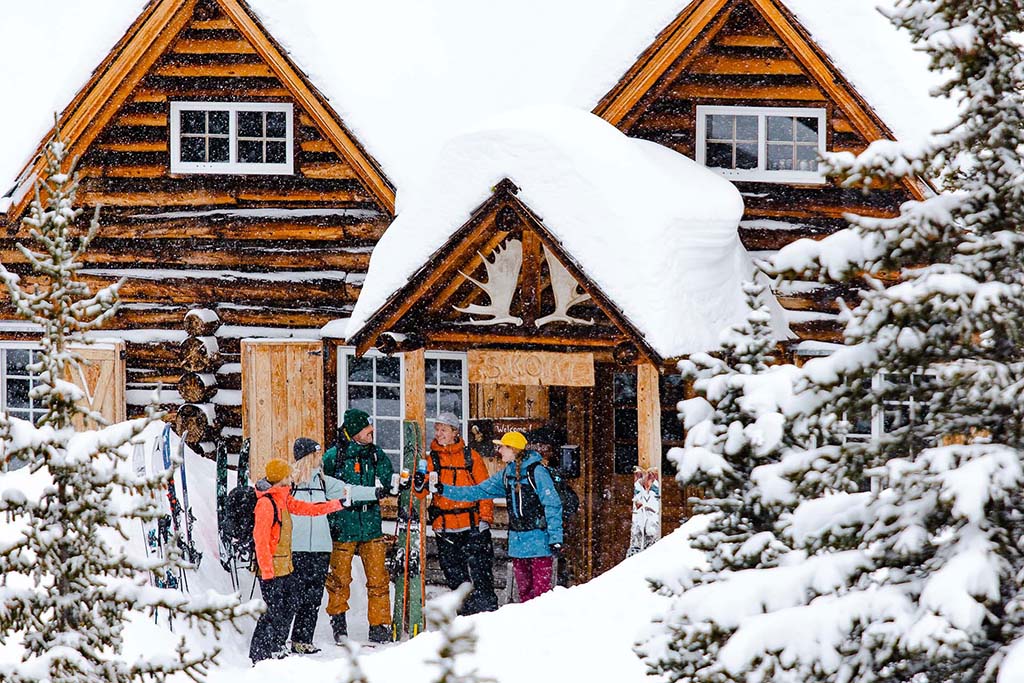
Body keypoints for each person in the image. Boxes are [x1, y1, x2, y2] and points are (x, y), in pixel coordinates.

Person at [438, 431, 563, 602]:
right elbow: (477, 491)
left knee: (541, 596)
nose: (499, 450)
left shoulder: (537, 472)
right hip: (518, 543)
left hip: (539, 542)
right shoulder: (507, 474)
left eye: (503, 447)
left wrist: (555, 538)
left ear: (514, 450)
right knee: (525, 595)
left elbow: (552, 504)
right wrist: (443, 489)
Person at [287, 437, 378, 654]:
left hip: (321, 547)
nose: (320, 459)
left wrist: (376, 493)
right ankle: (284, 638)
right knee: (294, 597)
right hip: (295, 547)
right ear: (307, 457)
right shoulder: (288, 481)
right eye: (316, 455)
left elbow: (350, 491)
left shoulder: (324, 482)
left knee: (313, 597)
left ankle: (303, 640)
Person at [249, 458, 343, 664]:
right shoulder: (266, 503)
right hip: (271, 569)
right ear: (280, 478)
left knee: (286, 607)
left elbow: (308, 509)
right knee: (273, 611)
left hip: (285, 567)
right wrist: (267, 573)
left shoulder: (283, 498)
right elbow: (261, 540)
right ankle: (261, 652)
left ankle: (276, 646)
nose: (292, 478)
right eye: (288, 475)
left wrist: (336, 504)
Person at [321, 408, 394, 644]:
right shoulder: (334, 456)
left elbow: (388, 479)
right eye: (367, 429)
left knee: (378, 578)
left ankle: (379, 624)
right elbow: (325, 489)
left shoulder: (375, 454)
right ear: (354, 431)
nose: (371, 432)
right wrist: (332, 520)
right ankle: (338, 622)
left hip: (371, 525)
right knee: (339, 579)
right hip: (344, 526)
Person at [423, 412, 497, 614]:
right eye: (437, 429)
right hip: (445, 528)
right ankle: (465, 617)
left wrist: (485, 518)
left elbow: (485, 489)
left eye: (444, 430)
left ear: (455, 432)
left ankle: (488, 615)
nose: (439, 434)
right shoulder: (432, 459)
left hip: (472, 525)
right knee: (455, 577)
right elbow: (420, 489)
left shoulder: (470, 457)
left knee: (481, 574)